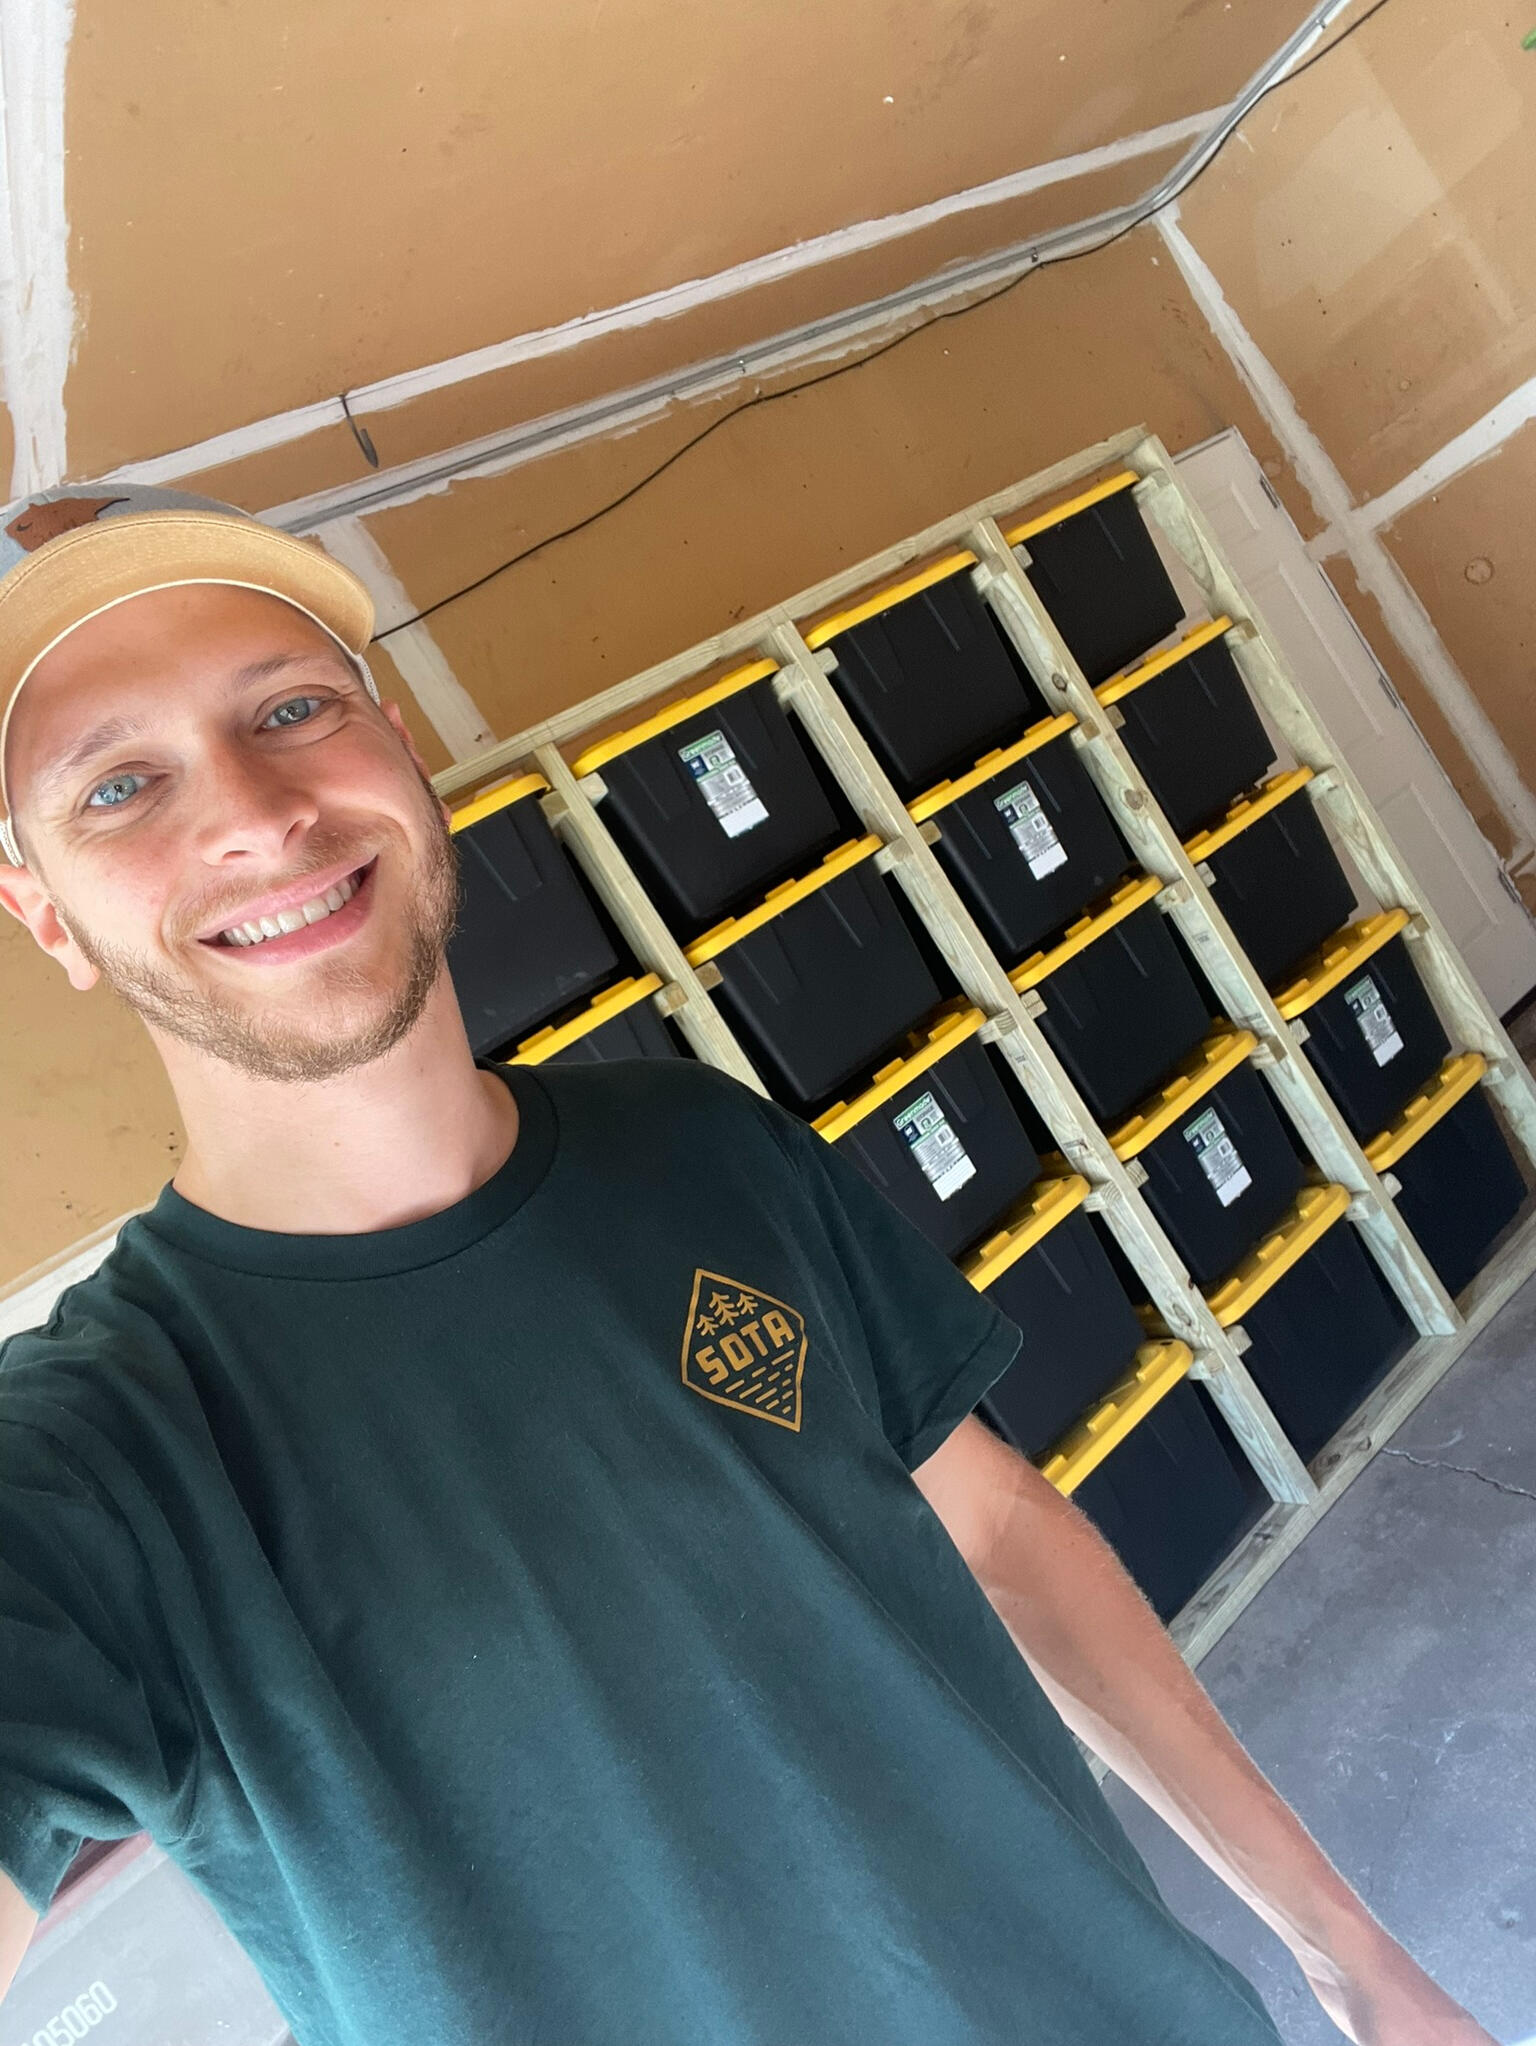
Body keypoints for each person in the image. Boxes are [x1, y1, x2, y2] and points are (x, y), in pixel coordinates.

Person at [0, 485, 1492, 2046]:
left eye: (290, 708)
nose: (250, 812)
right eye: (118, 787)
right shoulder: (95, 1459)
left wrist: (1351, 1955)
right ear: (47, 916)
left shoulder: (705, 1147)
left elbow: (989, 1529)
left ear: (399, 739)